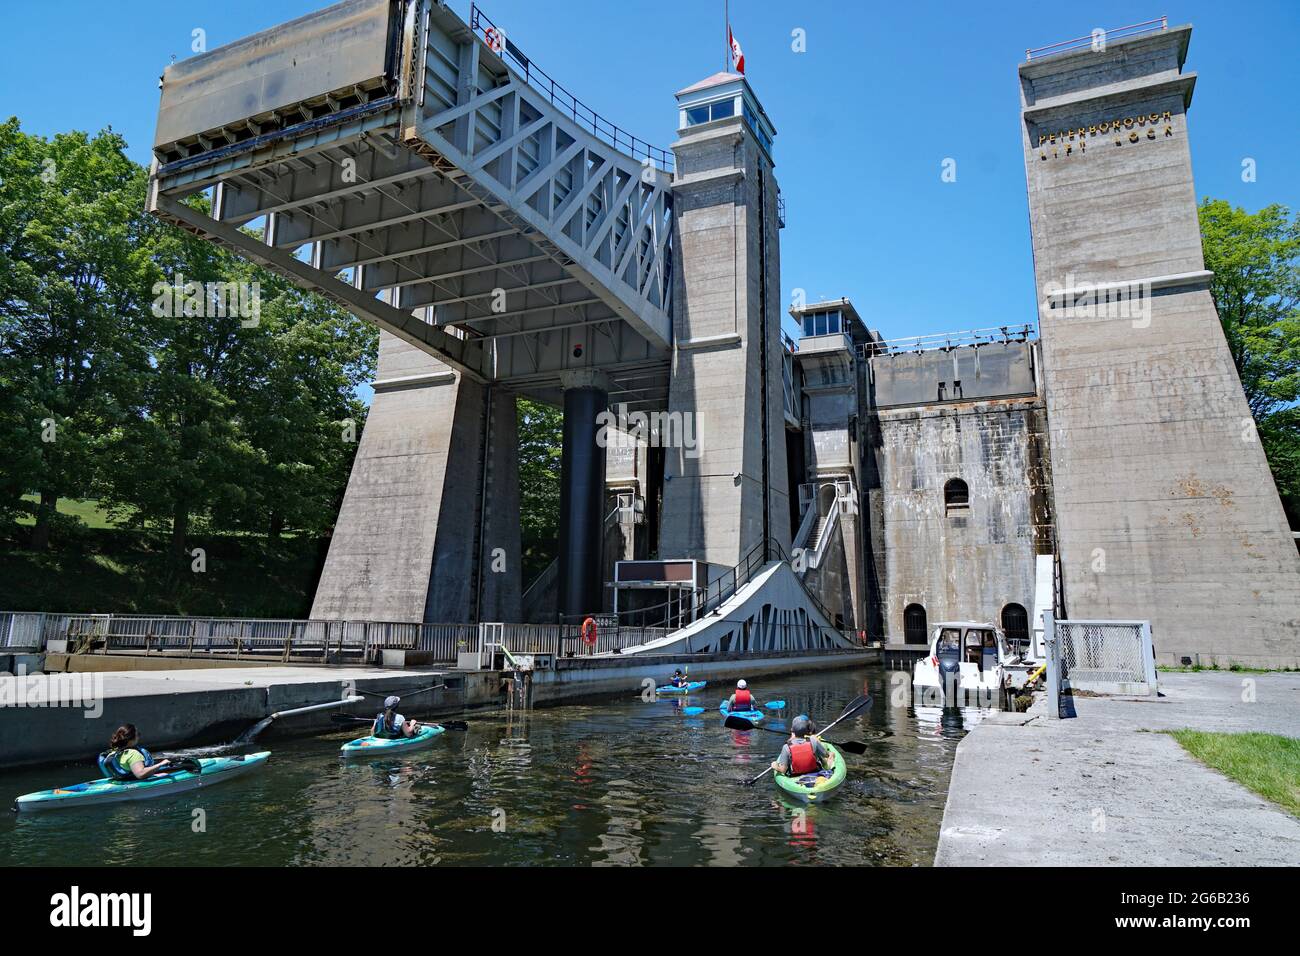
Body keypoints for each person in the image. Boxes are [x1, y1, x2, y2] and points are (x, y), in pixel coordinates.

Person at [98, 724, 172, 781]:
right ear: (131, 739)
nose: (138, 737)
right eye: (138, 734)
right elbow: (140, 774)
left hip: (120, 781)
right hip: (133, 784)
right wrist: (161, 764)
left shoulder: (113, 753)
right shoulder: (133, 754)